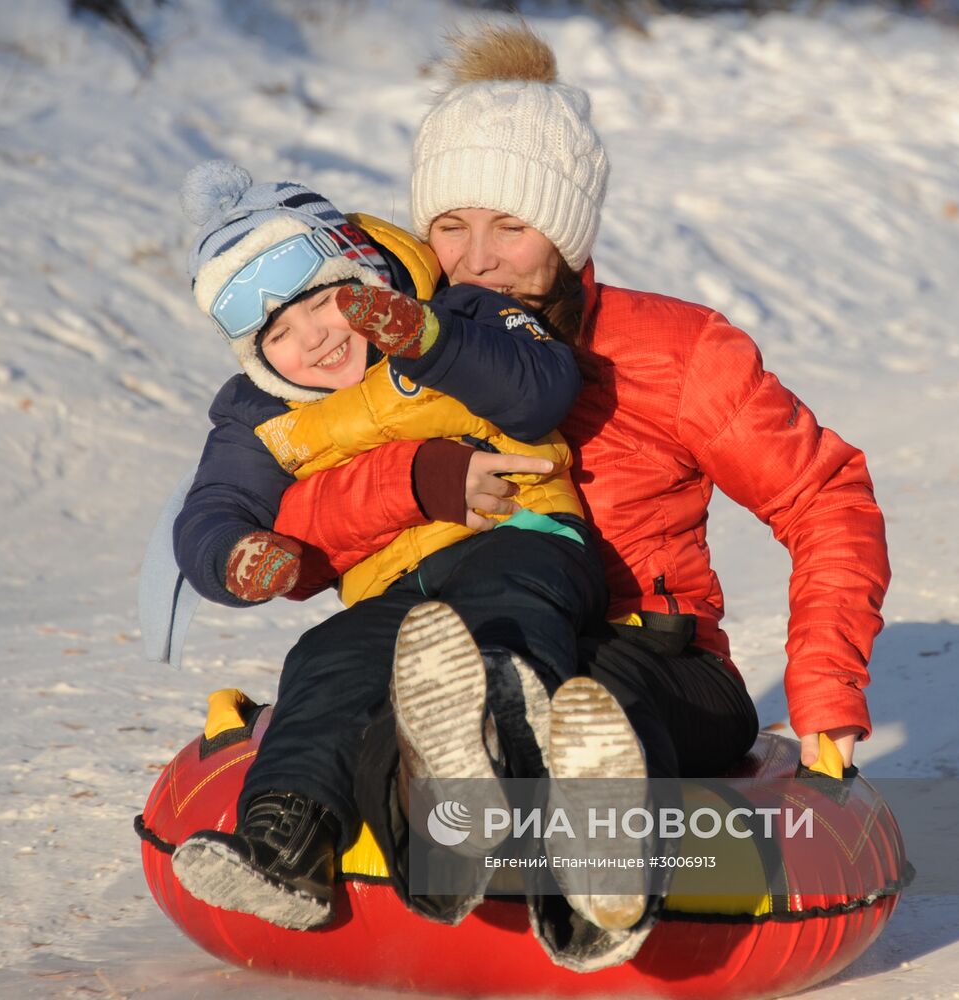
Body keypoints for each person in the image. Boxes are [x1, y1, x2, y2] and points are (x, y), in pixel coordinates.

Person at [256, 24, 891, 971]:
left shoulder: (674, 353)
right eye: (451, 225)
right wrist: (408, 480)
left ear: (565, 228)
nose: (478, 258)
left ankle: (595, 881)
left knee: (587, 697)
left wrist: (826, 688)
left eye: (511, 225)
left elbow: (822, 495)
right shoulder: (385, 354)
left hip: (652, 652)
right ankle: (445, 818)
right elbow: (305, 543)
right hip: (458, 632)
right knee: (413, 679)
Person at [165, 163, 616, 932]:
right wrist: (235, 553)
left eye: (319, 302)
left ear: (362, 274)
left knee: (504, 613)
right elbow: (213, 505)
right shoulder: (259, 414)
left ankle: (497, 757)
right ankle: (287, 840)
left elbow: (539, 387)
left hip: (520, 534)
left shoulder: (464, 311)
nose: (310, 339)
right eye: (276, 334)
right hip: (389, 589)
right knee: (325, 660)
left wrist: (428, 340)